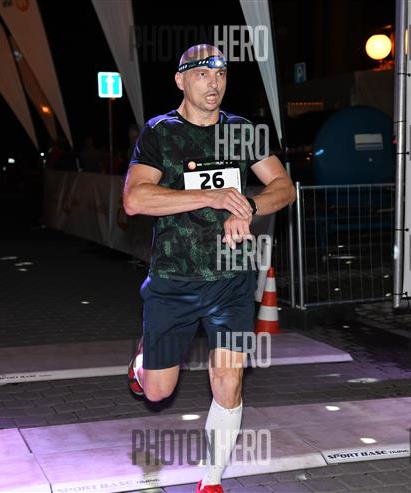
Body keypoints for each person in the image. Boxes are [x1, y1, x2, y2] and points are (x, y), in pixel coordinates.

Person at [122, 44, 295, 493]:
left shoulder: (242, 131)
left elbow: (284, 187)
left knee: (228, 379)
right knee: (158, 391)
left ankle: (211, 479)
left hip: (232, 278)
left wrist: (249, 206)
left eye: (220, 74)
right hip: (174, 279)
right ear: (181, 80)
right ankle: (142, 362)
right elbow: (135, 199)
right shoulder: (160, 133)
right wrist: (212, 197)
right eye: (202, 74)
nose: (213, 83)